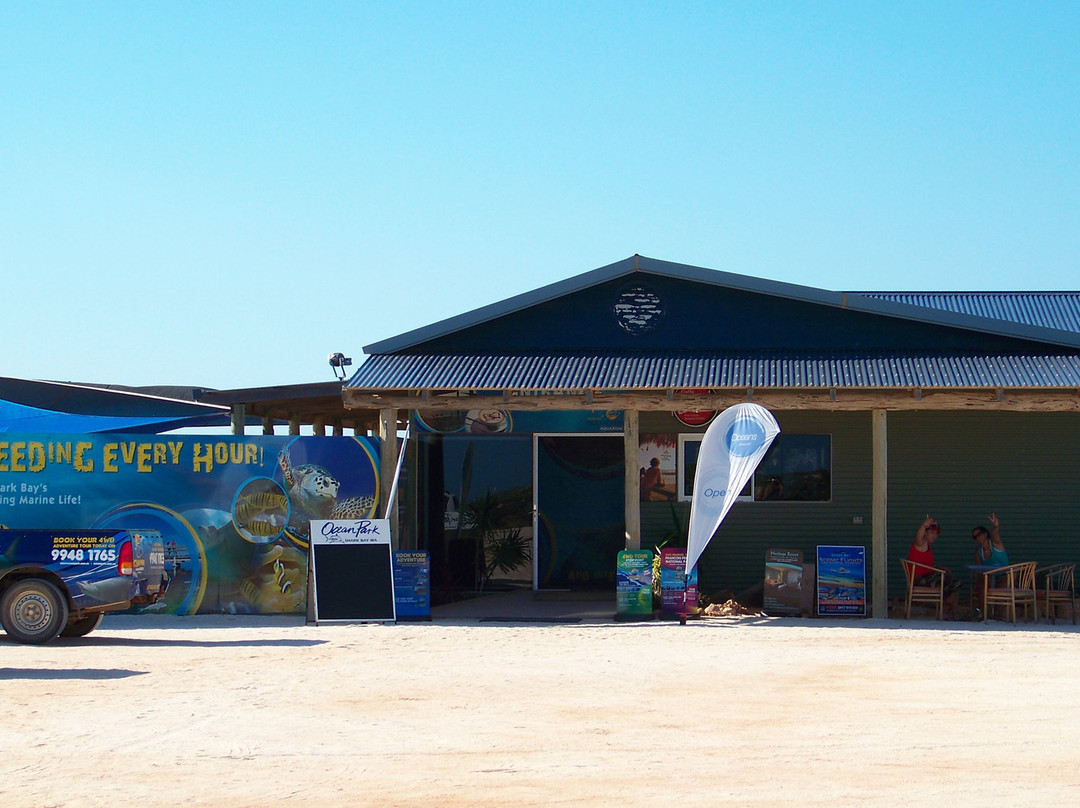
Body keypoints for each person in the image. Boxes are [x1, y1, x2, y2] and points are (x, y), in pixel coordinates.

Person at [907, 515, 962, 604]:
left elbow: (927, 565)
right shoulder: (920, 544)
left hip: (929, 577)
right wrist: (924, 525)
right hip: (920, 580)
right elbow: (918, 537)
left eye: (936, 534)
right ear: (925, 533)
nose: (934, 536)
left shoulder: (927, 546)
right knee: (955, 583)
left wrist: (940, 567)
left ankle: (950, 610)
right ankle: (947, 609)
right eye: (932, 532)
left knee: (955, 583)